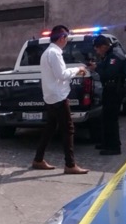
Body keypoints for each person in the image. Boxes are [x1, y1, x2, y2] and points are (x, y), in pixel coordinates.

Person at [32, 25, 89, 174]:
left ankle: (38, 159)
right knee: (68, 129)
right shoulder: (54, 53)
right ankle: (70, 164)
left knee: (50, 128)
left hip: (51, 96)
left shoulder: (47, 52)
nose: (67, 41)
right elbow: (62, 75)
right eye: (66, 38)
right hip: (58, 97)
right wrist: (78, 69)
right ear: (62, 38)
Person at [89, 35, 126, 155]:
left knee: (111, 119)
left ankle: (114, 147)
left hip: (114, 90)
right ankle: (106, 143)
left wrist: (96, 69)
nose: (97, 51)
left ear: (103, 46)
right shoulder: (109, 55)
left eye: (97, 49)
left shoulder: (115, 56)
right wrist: (97, 66)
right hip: (109, 89)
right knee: (105, 117)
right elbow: (105, 67)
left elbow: (109, 73)